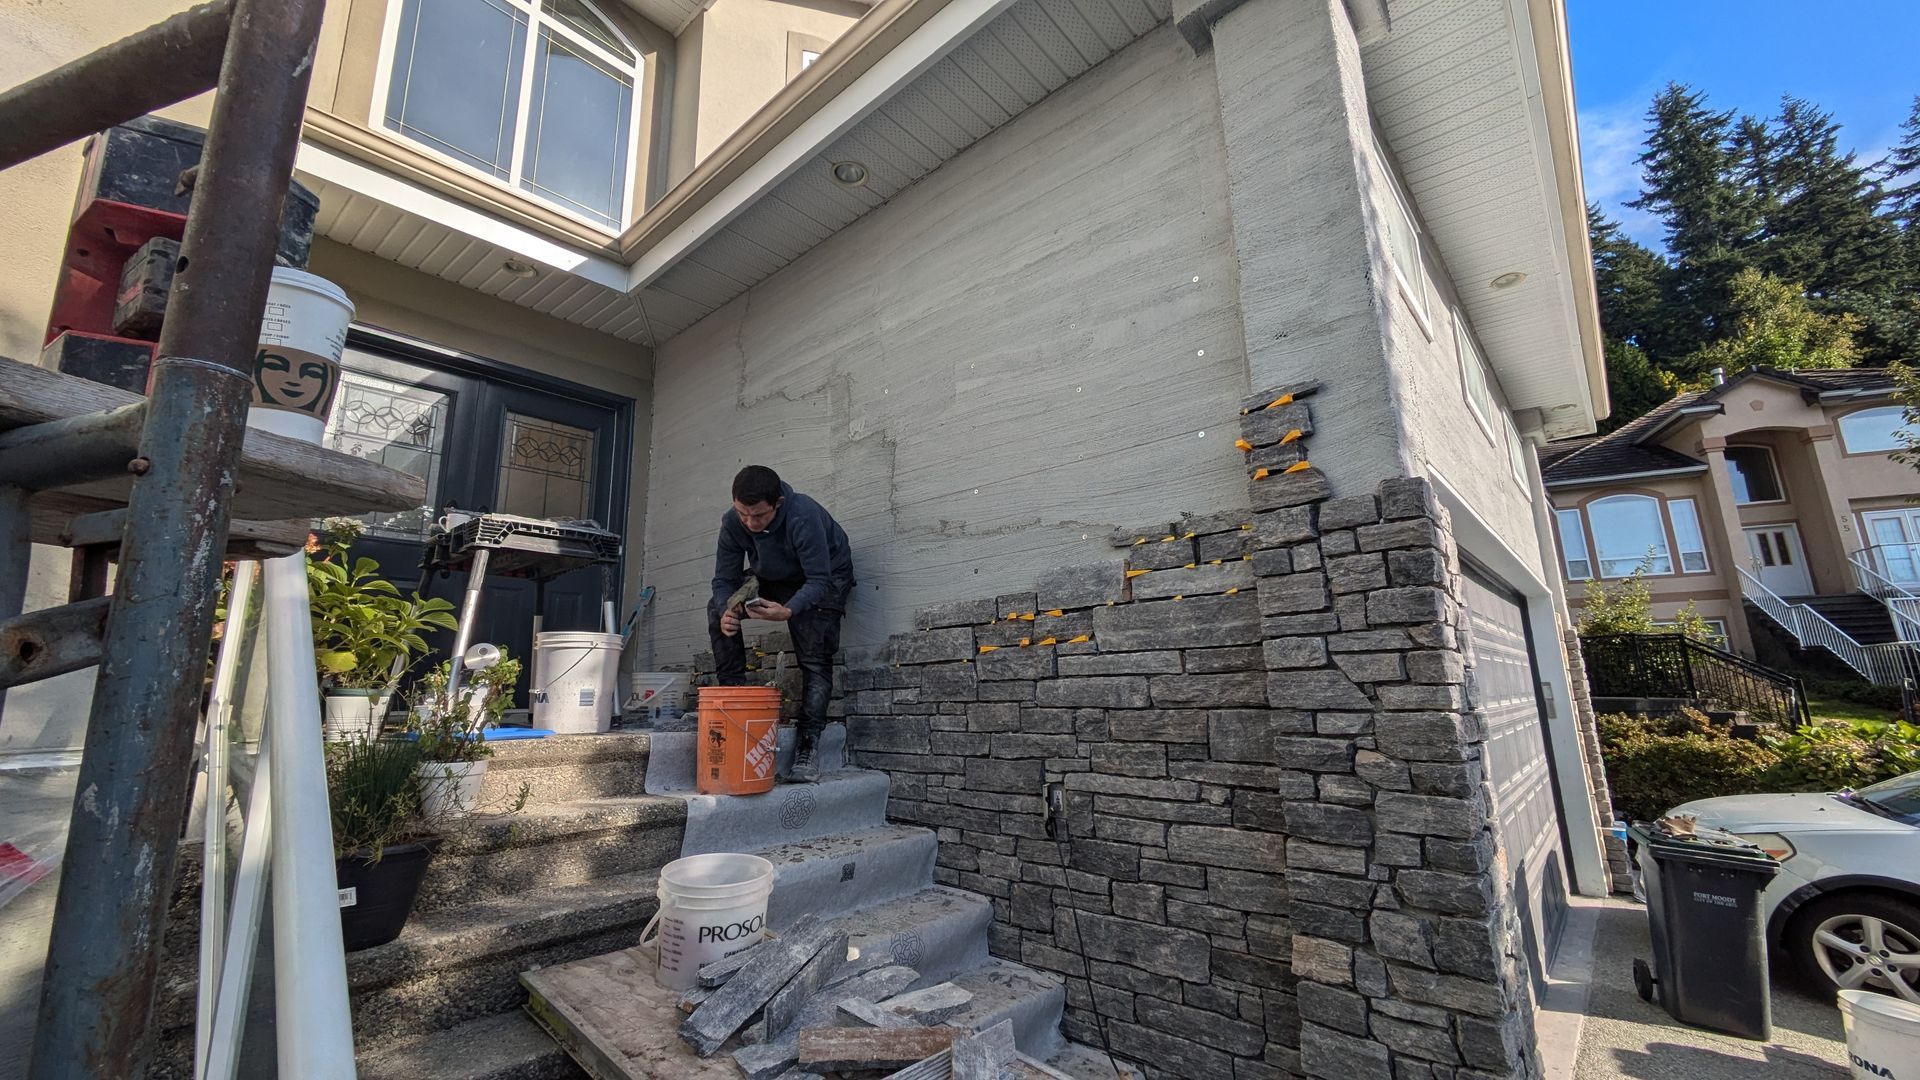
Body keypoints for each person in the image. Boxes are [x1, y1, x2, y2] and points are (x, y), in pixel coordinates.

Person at [709, 465, 855, 782]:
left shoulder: (802, 514)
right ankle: (733, 700)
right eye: (742, 513)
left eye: (758, 516)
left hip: (825, 577)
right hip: (774, 576)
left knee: (814, 656)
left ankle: (808, 746)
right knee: (718, 606)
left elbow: (819, 579)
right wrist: (727, 611)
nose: (749, 522)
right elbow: (723, 579)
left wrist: (788, 611)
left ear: (777, 503)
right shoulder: (733, 522)